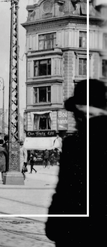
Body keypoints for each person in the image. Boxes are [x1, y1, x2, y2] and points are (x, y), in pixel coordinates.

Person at [45, 79, 107, 246]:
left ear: (81, 112)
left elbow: (65, 190)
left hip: (76, 231)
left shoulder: (75, 144)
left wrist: (54, 225)